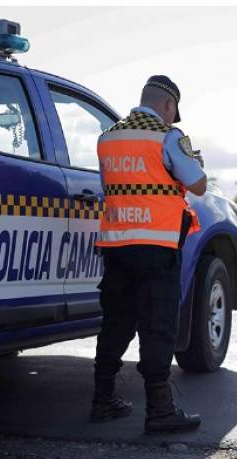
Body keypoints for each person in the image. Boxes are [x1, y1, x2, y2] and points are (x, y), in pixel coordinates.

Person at [91, 75, 207, 434]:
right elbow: (198, 185)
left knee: (116, 324)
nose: (172, 119)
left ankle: (102, 400)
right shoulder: (167, 137)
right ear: (168, 106)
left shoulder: (107, 138)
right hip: (156, 248)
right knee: (158, 327)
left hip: (117, 246)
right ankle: (159, 410)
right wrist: (194, 159)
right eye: (173, 113)